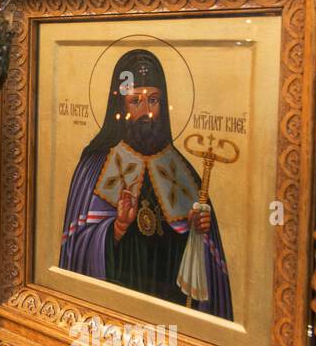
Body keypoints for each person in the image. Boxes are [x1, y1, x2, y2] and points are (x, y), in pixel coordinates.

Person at [57, 48, 232, 320]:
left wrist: (197, 232)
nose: (147, 112)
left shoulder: (182, 171)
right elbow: (76, 249)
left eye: (154, 100)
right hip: (114, 306)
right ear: (121, 106)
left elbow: (199, 263)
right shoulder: (94, 166)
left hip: (168, 310)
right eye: (135, 101)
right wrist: (117, 227)